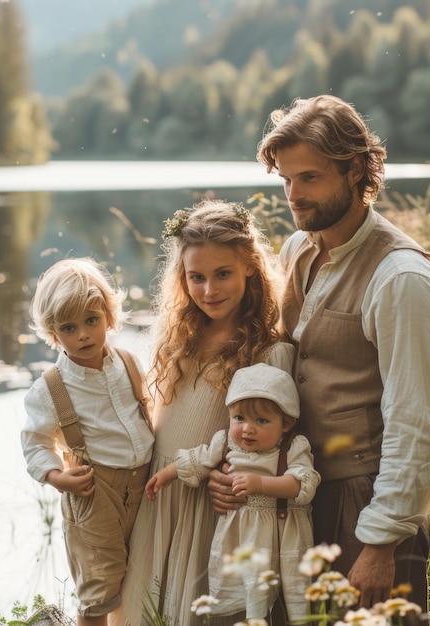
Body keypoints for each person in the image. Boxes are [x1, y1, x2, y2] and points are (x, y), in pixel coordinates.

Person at [210, 95, 430, 612]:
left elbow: (418, 422)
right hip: (299, 493)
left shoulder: (402, 279)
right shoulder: (300, 248)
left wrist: (381, 542)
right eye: (286, 180)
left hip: (365, 502)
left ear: (357, 170)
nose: (293, 195)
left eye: (310, 178)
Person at [111, 200, 295, 626]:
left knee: (190, 609)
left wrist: (229, 471)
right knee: (145, 608)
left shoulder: (268, 352)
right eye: (196, 277)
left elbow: (271, 440)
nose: (209, 290)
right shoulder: (179, 338)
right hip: (159, 496)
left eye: (222, 274)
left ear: (250, 266)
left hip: (208, 502)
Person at [21, 257, 155, 626]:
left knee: (143, 569)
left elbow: (144, 411)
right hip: (95, 493)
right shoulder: (51, 388)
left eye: (92, 321)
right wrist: (56, 476)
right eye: (69, 327)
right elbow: (34, 441)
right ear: (53, 333)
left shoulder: (127, 362)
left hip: (143, 483)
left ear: (109, 318)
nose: (83, 334)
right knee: (99, 584)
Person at [145, 362, 320, 623]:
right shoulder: (225, 443)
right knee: (242, 599)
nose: (247, 428)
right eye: (239, 418)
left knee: (291, 602)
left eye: (261, 420)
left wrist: (260, 485)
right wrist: (166, 474)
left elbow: (302, 484)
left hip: (283, 537)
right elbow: (198, 459)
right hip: (240, 538)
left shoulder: (293, 447)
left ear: (286, 423)